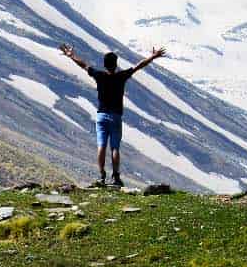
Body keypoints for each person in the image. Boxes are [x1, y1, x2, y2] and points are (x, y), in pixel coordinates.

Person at [58, 43, 167, 187]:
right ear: (116, 65)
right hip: (115, 116)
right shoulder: (121, 76)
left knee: (101, 146)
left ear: (104, 65)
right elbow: (138, 66)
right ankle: (115, 177)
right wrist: (153, 56)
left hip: (101, 115)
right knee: (115, 147)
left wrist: (71, 56)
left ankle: (102, 175)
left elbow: (83, 65)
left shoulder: (99, 75)